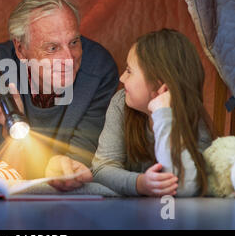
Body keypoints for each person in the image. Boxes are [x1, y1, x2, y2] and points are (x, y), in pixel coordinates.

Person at [0, 0, 118, 189]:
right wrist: (10, 125)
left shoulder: (99, 67)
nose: (68, 59)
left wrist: (66, 170)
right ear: (20, 49)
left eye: (74, 42)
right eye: (52, 48)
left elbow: (83, 153)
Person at [90, 29, 214, 197]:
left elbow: (187, 187)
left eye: (129, 71)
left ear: (159, 84)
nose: (121, 78)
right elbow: (102, 168)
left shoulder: (193, 120)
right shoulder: (121, 103)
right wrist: (140, 184)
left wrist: (163, 115)